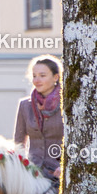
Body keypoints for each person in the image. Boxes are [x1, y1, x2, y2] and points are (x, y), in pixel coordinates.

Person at [14, 55, 63, 183]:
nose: (37, 80)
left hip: (59, 174)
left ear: (55, 77)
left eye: (42, 75)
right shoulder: (25, 105)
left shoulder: (67, 105)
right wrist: (22, 166)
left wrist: (65, 166)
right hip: (33, 174)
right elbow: (19, 143)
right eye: (34, 76)